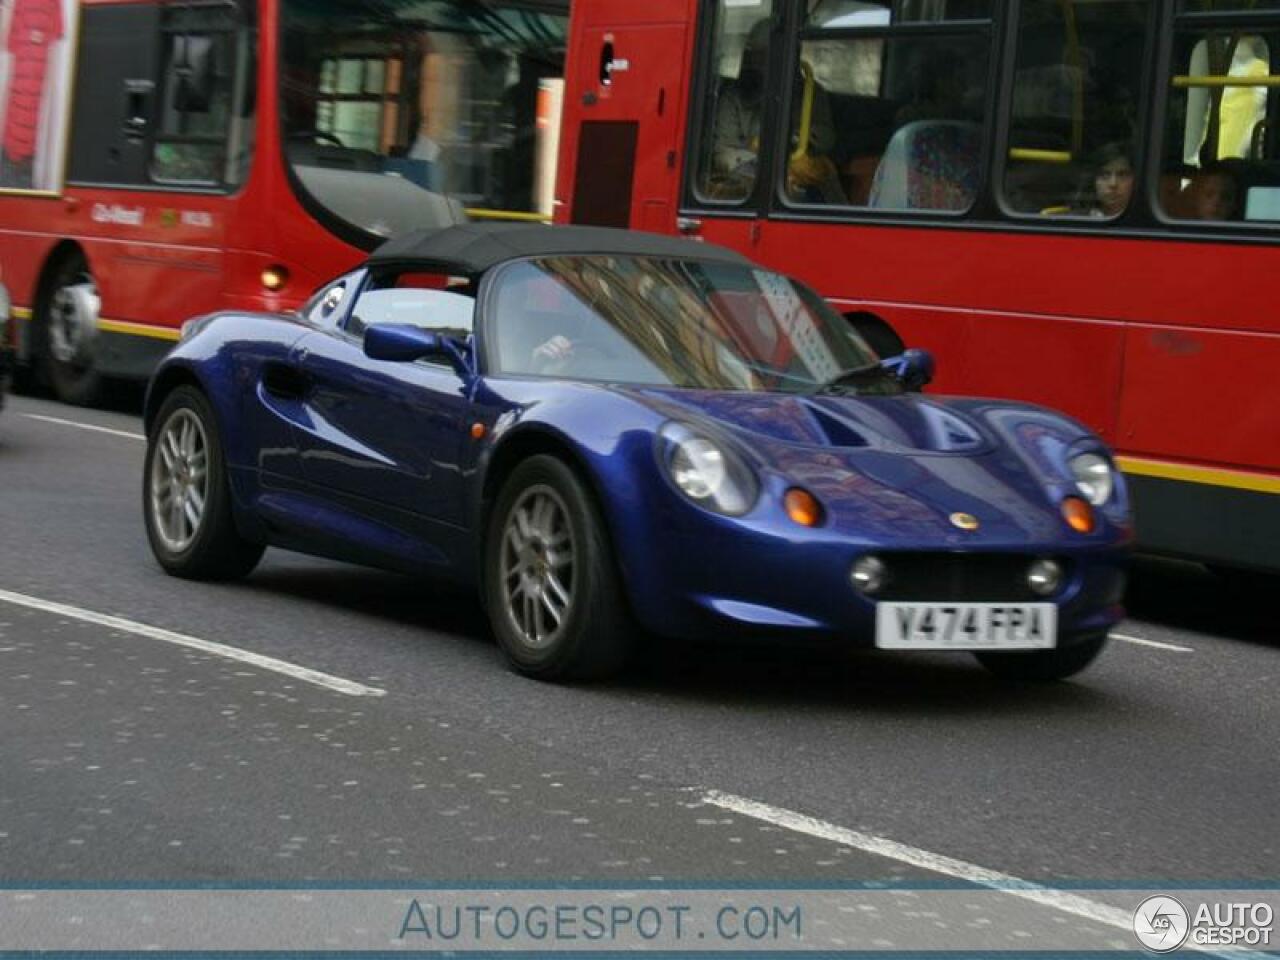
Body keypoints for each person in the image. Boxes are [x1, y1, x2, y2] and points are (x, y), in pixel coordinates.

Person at [708, 19, 841, 202]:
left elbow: (826, 136)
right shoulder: (733, 98)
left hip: (802, 175)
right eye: (759, 56)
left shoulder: (811, 91)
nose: (764, 64)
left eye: (773, 56)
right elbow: (723, 151)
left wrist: (795, 141)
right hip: (748, 180)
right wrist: (761, 165)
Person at [1079, 143, 1135, 218]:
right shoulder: (1078, 219)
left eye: (1122, 175)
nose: (1113, 184)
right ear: (1093, 180)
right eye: (1104, 175)